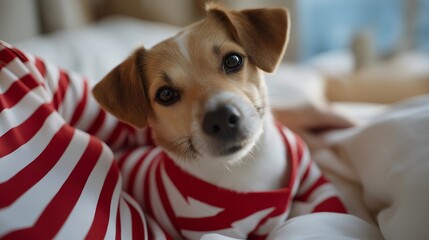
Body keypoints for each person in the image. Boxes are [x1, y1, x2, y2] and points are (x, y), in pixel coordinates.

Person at [0, 41, 358, 239]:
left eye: (231, 61)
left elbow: (316, 185)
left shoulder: (11, 71)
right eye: (169, 94)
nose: (219, 112)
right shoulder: (197, 213)